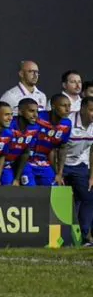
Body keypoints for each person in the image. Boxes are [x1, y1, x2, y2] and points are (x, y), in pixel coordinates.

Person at [63, 97, 93, 246]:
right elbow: (56, 148)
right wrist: (58, 171)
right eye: (91, 110)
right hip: (59, 164)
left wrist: (92, 176)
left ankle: (84, 236)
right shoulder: (67, 122)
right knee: (60, 199)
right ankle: (61, 236)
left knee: (88, 197)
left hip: (79, 164)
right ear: (82, 109)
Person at [24, 94, 72, 186]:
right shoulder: (38, 118)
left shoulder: (67, 124)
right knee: (30, 191)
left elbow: (62, 148)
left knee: (54, 187)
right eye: (63, 106)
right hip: (27, 162)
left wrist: (59, 173)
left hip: (45, 163)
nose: (67, 109)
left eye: (69, 106)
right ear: (53, 106)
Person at [1, 98, 40, 186]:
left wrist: (17, 179)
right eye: (31, 111)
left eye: (37, 111)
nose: (35, 115)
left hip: (19, 162)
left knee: (30, 186)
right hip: (3, 164)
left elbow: (25, 153)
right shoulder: (8, 126)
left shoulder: (35, 128)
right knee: (8, 186)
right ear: (20, 112)